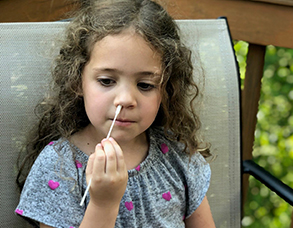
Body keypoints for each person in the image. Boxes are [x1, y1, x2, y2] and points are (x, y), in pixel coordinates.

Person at [15, 0, 215, 227]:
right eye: (107, 81)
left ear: (166, 89)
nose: (126, 100)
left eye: (145, 85)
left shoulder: (178, 157)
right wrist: (104, 204)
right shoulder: (58, 168)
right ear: (77, 81)